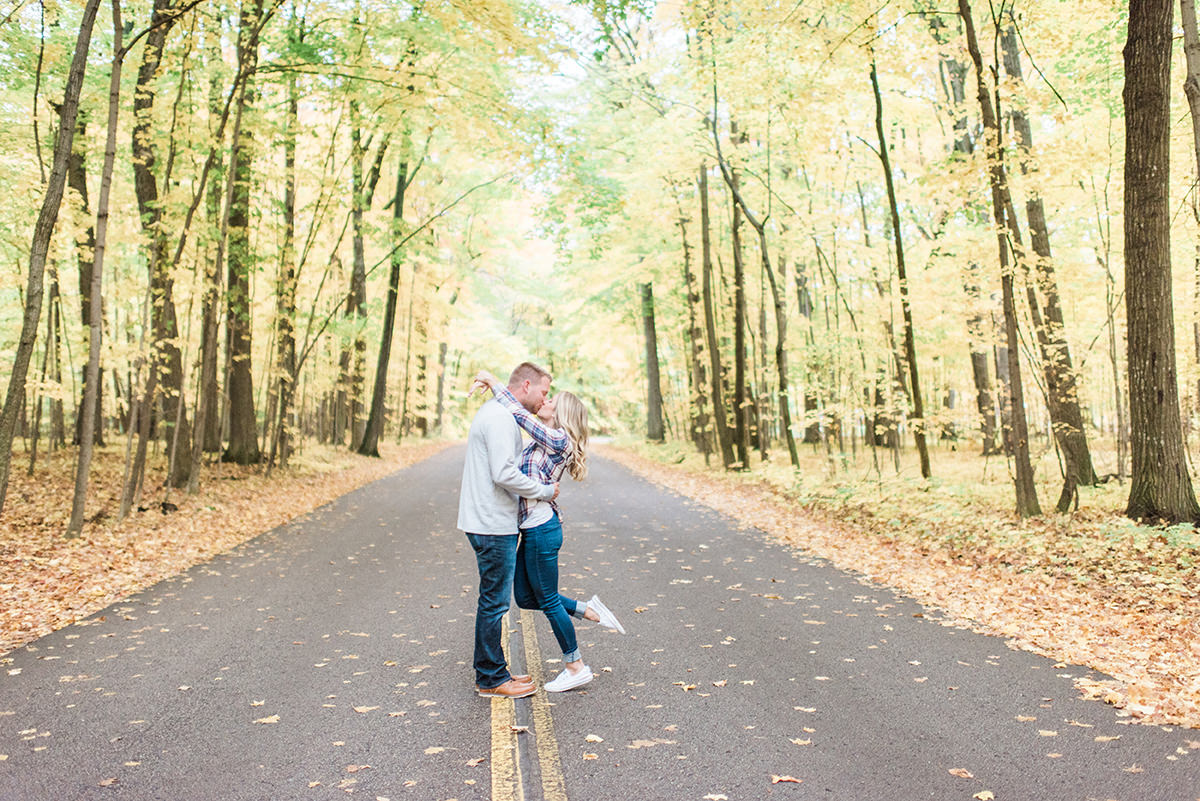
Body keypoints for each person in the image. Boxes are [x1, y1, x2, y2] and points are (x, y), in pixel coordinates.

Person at [472, 370, 625, 693]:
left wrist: (492, 381)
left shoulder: (559, 439)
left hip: (542, 529)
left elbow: (515, 412)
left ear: (561, 413)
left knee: (550, 601)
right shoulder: (548, 437)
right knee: (526, 598)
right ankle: (587, 609)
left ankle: (576, 666)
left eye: (551, 400)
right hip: (534, 528)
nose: (544, 400)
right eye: (546, 395)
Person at [458, 362, 560, 699]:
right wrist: (544, 491)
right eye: (544, 392)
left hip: (488, 519)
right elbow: (504, 473)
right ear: (527, 385)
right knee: (495, 602)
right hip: (491, 523)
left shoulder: (498, 412)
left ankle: (494, 670)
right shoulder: (501, 419)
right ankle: (490, 679)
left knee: (493, 600)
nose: (544, 398)